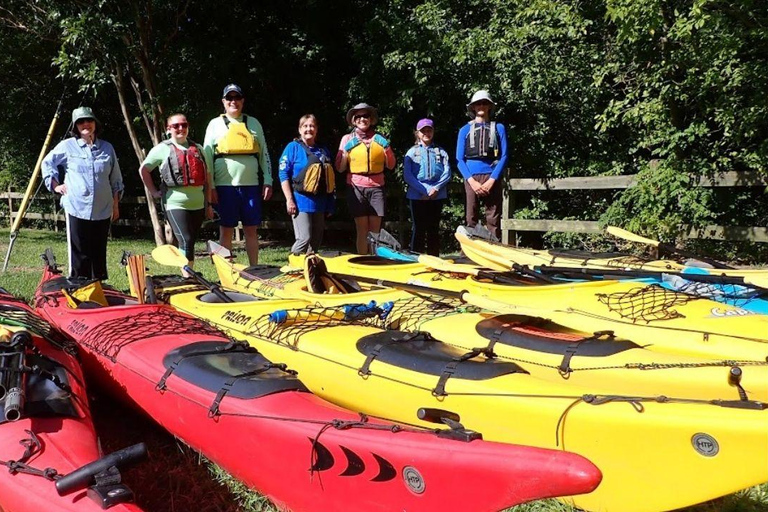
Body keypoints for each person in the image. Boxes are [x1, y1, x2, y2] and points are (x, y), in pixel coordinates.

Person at [42, 106, 123, 280]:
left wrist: (115, 205)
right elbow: (47, 163)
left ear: (95, 123)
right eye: (81, 122)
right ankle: (79, 285)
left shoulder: (107, 148)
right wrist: (55, 185)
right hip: (76, 207)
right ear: (75, 126)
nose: (86, 124)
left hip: (103, 208)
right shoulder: (67, 146)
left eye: (89, 120)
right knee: (79, 251)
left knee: (98, 250)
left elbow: (116, 178)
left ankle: (98, 286)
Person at [203, 84, 273, 265]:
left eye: (237, 98)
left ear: (243, 101)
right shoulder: (214, 124)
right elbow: (207, 157)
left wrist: (268, 180)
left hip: (251, 186)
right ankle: (227, 270)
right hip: (224, 187)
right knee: (226, 229)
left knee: (251, 229)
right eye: (229, 98)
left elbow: (264, 153)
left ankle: (254, 268)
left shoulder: (254, 123)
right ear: (223, 102)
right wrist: (210, 187)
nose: (233, 101)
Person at [139, 113, 214, 276]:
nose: (181, 128)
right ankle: (187, 276)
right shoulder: (162, 148)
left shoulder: (198, 149)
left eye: (184, 125)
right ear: (169, 129)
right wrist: (153, 191)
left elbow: (208, 177)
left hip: (198, 203)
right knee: (185, 239)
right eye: (176, 126)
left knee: (190, 241)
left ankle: (188, 274)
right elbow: (144, 170)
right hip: (175, 203)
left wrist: (208, 204)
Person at [335, 103, 396, 254]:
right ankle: (363, 260)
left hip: (377, 187)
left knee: (375, 231)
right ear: (353, 120)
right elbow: (340, 168)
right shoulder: (347, 139)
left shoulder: (379, 138)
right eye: (359, 116)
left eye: (366, 116)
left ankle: (375, 261)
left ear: (371, 119)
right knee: (362, 229)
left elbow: (391, 165)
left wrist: (387, 148)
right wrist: (346, 151)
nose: (363, 119)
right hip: (356, 187)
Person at [278, 114, 335, 254]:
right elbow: (283, 173)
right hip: (300, 202)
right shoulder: (293, 147)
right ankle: (292, 263)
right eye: (305, 126)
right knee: (304, 238)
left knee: (315, 242)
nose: (309, 129)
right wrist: (289, 200)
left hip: (320, 202)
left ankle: (309, 266)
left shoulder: (323, 150)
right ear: (300, 129)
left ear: (316, 129)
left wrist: (330, 204)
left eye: (312, 126)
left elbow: (330, 179)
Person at [456, 90, 508, 240]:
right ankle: (469, 250)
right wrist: (472, 181)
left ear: (490, 106)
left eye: (485, 103)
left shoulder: (499, 128)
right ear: (473, 107)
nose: (481, 106)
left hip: (492, 176)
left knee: (493, 217)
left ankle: (494, 248)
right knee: (471, 217)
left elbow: (504, 156)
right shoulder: (464, 130)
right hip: (471, 177)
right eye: (478, 103)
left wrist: (492, 179)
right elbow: (459, 159)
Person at [403, 118, 452, 256]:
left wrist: (436, 188)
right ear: (417, 133)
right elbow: (407, 175)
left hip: (437, 195)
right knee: (418, 228)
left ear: (433, 131)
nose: (426, 133)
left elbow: (447, 172)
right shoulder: (411, 153)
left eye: (429, 130)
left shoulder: (441, 152)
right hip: (417, 196)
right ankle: (415, 257)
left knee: (433, 228)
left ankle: (434, 258)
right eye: (423, 131)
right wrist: (423, 191)